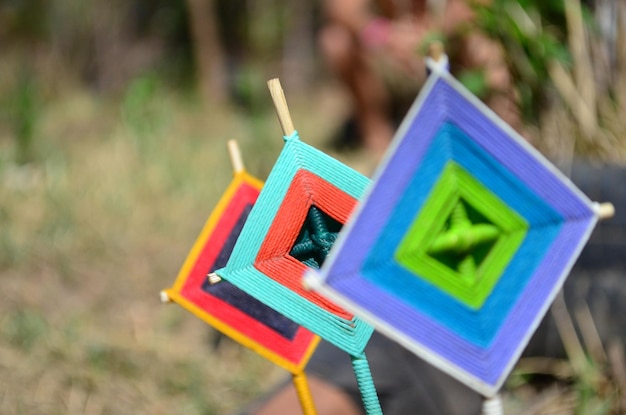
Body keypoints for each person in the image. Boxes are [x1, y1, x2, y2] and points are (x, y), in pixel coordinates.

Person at [318, 0, 520, 159]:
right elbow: (339, 8)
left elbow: (476, 6)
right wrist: (387, 37)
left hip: (446, 51)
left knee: (481, 41)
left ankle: (493, 128)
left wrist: (433, 35)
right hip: (388, 58)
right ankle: (379, 142)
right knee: (335, 41)